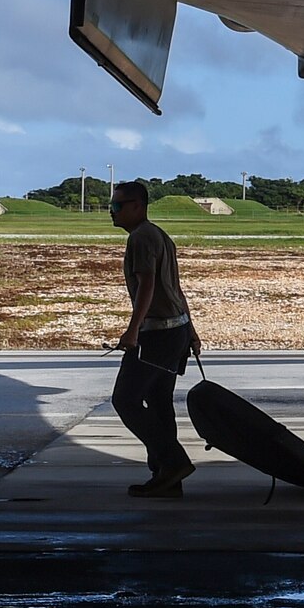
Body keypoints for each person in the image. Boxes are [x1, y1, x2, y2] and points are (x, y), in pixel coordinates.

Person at [109, 182, 200, 497]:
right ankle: (167, 479)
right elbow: (175, 287)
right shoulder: (159, 235)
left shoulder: (141, 238)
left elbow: (148, 285)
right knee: (160, 404)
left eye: (119, 205)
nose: (112, 211)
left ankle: (173, 462)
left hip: (157, 333)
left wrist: (133, 329)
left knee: (125, 399)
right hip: (175, 330)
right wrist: (191, 330)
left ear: (138, 206)